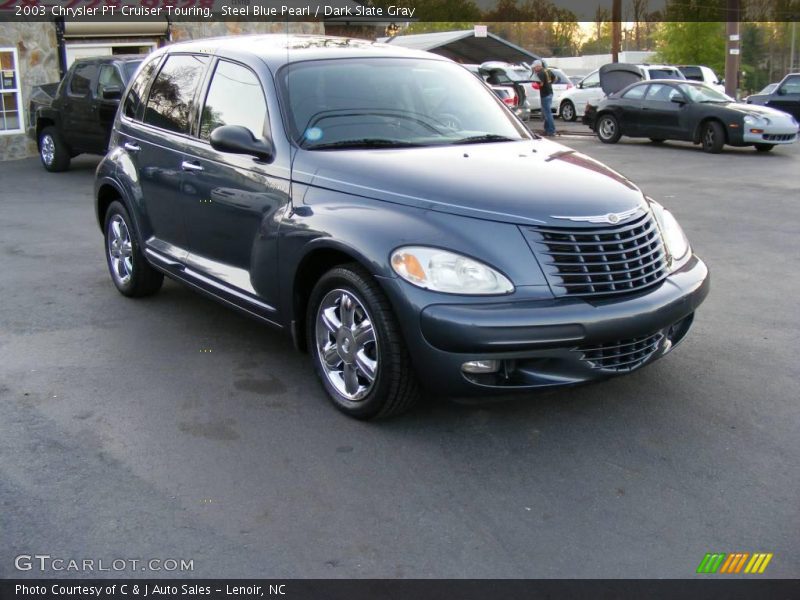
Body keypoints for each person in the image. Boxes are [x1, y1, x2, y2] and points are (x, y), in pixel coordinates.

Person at [532, 60, 556, 137]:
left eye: (535, 67)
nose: (534, 69)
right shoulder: (547, 70)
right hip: (550, 93)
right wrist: (549, 84)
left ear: (538, 66)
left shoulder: (540, 73)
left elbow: (540, 84)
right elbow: (555, 78)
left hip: (545, 94)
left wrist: (534, 85)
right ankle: (547, 129)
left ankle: (551, 131)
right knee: (546, 112)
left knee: (547, 113)